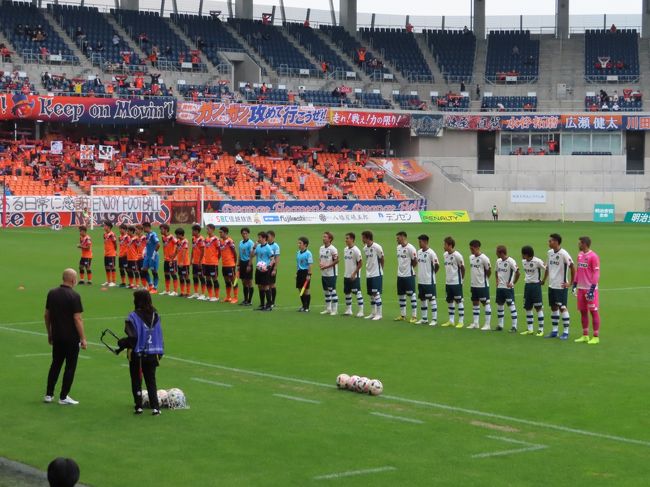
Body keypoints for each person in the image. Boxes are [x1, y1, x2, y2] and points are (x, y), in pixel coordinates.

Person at [44, 269, 87, 406]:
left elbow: (46, 315)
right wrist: (83, 338)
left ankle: (49, 394)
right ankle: (63, 396)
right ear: (73, 280)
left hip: (57, 336)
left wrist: (49, 333)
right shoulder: (74, 296)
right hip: (71, 338)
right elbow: (77, 318)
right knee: (70, 367)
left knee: (55, 364)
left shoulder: (52, 293)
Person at [120, 290, 163, 415]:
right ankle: (155, 407)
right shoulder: (156, 315)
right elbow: (159, 335)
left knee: (136, 379)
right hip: (153, 352)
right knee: (151, 380)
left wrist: (123, 343)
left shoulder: (133, 316)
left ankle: (138, 406)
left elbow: (132, 338)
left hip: (137, 354)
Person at [543, 233, 575, 339]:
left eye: (551, 241)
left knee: (562, 307)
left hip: (561, 286)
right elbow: (547, 267)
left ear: (556, 242)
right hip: (551, 285)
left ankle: (566, 332)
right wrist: (544, 280)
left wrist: (570, 283)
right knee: (553, 307)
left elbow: (572, 266)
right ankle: (555, 331)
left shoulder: (564, 253)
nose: (549, 242)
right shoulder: (549, 253)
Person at [573, 236, 601, 345]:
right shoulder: (579, 255)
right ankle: (585, 335)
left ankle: (595, 336)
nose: (578, 244)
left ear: (584, 244)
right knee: (583, 312)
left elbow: (596, 273)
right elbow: (578, 271)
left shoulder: (593, 256)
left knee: (593, 312)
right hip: (581, 289)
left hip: (590, 290)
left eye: (579, 243)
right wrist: (575, 284)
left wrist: (592, 288)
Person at [520, 245, 546, 336]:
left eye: (522, 254)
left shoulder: (537, 261)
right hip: (527, 286)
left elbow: (547, 269)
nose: (521, 256)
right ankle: (530, 329)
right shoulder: (523, 261)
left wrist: (543, 280)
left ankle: (540, 329)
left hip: (536, 286)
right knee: (528, 307)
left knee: (538, 307)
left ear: (527, 254)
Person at [440, 236, 465, 328]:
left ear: (450, 245)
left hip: (456, 282)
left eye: (445, 244)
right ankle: (451, 320)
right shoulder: (445, 255)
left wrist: (461, 280)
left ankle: (461, 321)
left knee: (459, 301)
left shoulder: (457, 255)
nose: (443, 246)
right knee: (450, 301)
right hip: (448, 282)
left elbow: (463, 268)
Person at [394, 231, 418, 323]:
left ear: (403, 237)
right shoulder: (398, 247)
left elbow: (415, 261)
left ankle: (414, 316)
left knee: (412, 295)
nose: (397, 239)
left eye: (398, 237)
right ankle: (402, 315)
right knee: (401, 295)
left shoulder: (411, 248)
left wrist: (409, 268)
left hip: (409, 275)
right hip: (400, 275)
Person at [495, 245, 520, 332]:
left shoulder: (511, 261)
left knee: (511, 306)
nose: (496, 254)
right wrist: (497, 280)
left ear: (501, 253)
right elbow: (496, 271)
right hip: (500, 288)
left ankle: (514, 326)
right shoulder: (498, 261)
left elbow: (518, 273)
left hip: (508, 289)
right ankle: (500, 325)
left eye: (497, 252)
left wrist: (513, 283)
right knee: (500, 306)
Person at [468, 240, 492, 330]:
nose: (471, 250)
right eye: (470, 248)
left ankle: (487, 324)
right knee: (475, 303)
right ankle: (476, 323)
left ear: (477, 247)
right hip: (474, 285)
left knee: (485, 303)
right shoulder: (471, 257)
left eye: (472, 248)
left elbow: (489, 271)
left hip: (482, 285)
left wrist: (484, 280)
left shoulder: (484, 258)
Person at [416, 234, 439, 326]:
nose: (419, 243)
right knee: (422, 299)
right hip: (421, 280)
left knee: (431, 299)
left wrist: (431, 274)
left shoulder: (431, 253)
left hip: (429, 281)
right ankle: (424, 318)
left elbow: (437, 265)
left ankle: (434, 319)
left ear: (425, 242)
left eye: (420, 242)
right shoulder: (419, 252)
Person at [361, 230, 384, 320]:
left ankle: (379, 314)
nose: (362, 239)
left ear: (367, 238)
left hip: (376, 274)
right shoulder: (365, 248)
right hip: (369, 273)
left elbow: (382, 258)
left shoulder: (377, 247)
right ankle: (373, 313)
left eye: (363, 237)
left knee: (376, 293)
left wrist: (381, 270)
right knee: (371, 294)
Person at [342, 232, 364, 317]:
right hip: (346, 275)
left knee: (357, 292)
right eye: (346, 238)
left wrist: (354, 273)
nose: (346, 240)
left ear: (352, 239)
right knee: (347, 293)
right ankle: (348, 310)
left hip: (354, 276)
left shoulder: (356, 250)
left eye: (347, 238)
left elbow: (360, 263)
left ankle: (361, 311)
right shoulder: (345, 249)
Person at [319, 231, 339, 315]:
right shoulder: (321, 248)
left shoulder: (333, 249)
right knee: (326, 291)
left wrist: (326, 266)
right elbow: (320, 258)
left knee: (332, 291)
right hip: (324, 273)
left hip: (331, 273)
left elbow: (337, 260)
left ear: (330, 239)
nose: (323, 238)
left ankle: (335, 310)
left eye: (325, 237)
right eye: (323, 236)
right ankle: (328, 308)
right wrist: (320, 263)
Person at [253, 231, 274, 311]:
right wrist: (254, 247)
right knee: (260, 286)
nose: (258, 239)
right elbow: (252, 255)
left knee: (266, 286)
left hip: (265, 270)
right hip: (258, 269)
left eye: (259, 237)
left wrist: (268, 267)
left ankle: (269, 305)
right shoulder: (258, 247)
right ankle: (262, 304)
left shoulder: (268, 248)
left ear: (264, 238)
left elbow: (273, 259)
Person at [219, 226, 238, 303]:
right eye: (219, 232)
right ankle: (228, 297)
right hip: (224, 264)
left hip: (230, 264)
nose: (220, 234)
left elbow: (234, 252)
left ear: (226, 233)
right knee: (226, 281)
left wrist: (235, 263)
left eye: (221, 232)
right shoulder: (221, 241)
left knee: (234, 281)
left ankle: (235, 297)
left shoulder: (230, 241)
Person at [202, 224, 221, 302]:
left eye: (208, 229)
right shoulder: (206, 239)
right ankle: (210, 295)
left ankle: (216, 296)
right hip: (206, 262)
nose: (207, 230)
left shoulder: (216, 239)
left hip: (213, 263)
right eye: (206, 229)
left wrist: (216, 259)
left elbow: (219, 250)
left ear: (213, 230)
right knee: (208, 279)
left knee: (214, 279)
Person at [141, 222, 160, 294]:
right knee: (144, 270)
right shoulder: (147, 235)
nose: (143, 229)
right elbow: (148, 244)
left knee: (154, 271)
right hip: (147, 256)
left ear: (147, 227)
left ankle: (155, 288)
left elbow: (158, 244)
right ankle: (150, 285)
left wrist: (154, 253)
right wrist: (144, 250)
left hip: (153, 256)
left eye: (143, 228)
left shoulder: (153, 234)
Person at [238, 227, 255, 306]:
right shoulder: (240, 242)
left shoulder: (250, 243)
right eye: (243, 233)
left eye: (246, 233)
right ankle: (245, 299)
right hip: (242, 263)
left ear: (248, 234)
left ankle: (250, 300)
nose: (244, 235)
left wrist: (249, 265)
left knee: (249, 282)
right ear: (241, 234)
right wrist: (238, 264)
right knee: (243, 282)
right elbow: (239, 254)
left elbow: (252, 255)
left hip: (248, 263)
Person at [160, 224, 178, 296]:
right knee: (166, 274)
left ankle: (175, 291)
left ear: (166, 229)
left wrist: (174, 255)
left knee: (173, 274)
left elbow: (178, 244)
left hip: (172, 260)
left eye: (162, 229)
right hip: (166, 259)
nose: (161, 230)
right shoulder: (163, 237)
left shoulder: (171, 237)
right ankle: (167, 290)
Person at [296, 236, 313, 312]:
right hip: (300, 272)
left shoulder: (308, 253)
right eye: (298, 243)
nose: (298, 244)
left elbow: (310, 265)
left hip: (306, 272)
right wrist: (297, 273)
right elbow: (298, 264)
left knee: (306, 290)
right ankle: (303, 305)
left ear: (305, 244)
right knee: (300, 290)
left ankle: (307, 307)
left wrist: (309, 275)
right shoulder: (298, 253)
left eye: (300, 243)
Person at [189, 224, 206, 299]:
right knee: (195, 277)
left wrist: (200, 261)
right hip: (194, 261)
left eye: (193, 230)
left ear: (196, 231)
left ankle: (203, 294)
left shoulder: (201, 239)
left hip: (200, 262)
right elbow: (193, 249)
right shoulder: (193, 238)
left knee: (201, 277)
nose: (192, 232)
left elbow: (203, 251)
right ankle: (196, 293)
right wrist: (191, 259)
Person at [174, 228, 190, 297]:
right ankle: (182, 292)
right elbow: (177, 250)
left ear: (180, 234)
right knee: (180, 277)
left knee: (186, 277)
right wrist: (172, 259)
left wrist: (182, 262)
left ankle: (188, 292)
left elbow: (184, 252)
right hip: (179, 262)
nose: (176, 236)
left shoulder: (185, 241)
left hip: (184, 263)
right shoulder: (178, 241)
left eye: (177, 235)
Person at [267, 230, 281, 307]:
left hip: (272, 267)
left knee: (272, 284)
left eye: (268, 236)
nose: (267, 238)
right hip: (265, 266)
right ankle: (269, 301)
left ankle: (273, 302)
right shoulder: (265, 245)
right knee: (266, 284)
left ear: (272, 237)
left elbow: (277, 258)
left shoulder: (276, 246)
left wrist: (275, 269)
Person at [102, 221, 117, 287]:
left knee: (112, 267)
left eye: (105, 225)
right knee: (107, 267)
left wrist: (114, 251)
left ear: (108, 227)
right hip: (106, 253)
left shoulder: (112, 234)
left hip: (111, 253)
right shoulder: (105, 234)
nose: (104, 227)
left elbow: (115, 243)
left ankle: (113, 281)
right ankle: (108, 281)